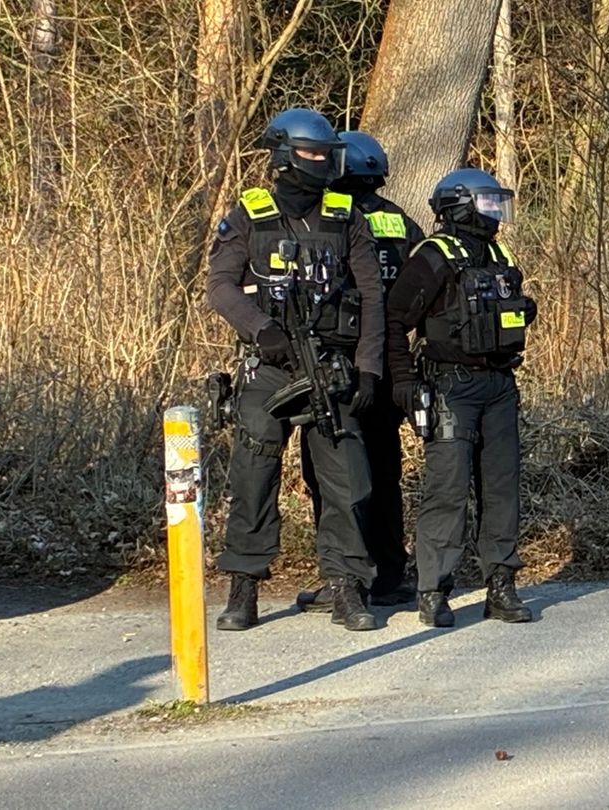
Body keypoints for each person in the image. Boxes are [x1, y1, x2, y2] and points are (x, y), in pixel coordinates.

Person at [206, 107, 385, 631]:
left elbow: (372, 295)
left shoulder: (344, 215)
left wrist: (368, 368)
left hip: (332, 367)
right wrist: (263, 329)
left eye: (327, 155)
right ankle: (244, 585)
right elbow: (219, 286)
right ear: (284, 155)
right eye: (312, 153)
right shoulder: (250, 214)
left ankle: (347, 586)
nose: (322, 163)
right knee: (254, 473)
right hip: (269, 366)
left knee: (347, 478)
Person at [384, 168, 537, 627]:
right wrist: (404, 381)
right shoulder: (433, 256)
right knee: (447, 490)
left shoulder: (496, 252)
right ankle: (433, 589)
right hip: (451, 386)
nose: (496, 212)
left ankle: (502, 584)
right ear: (459, 205)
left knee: (501, 488)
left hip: (499, 385)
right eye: (488, 203)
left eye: (497, 203)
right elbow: (395, 321)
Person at [296, 130, 424, 613]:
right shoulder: (401, 221)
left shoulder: (331, 218)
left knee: (331, 473)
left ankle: (348, 575)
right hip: (393, 363)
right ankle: (391, 573)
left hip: (345, 362)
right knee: (385, 471)